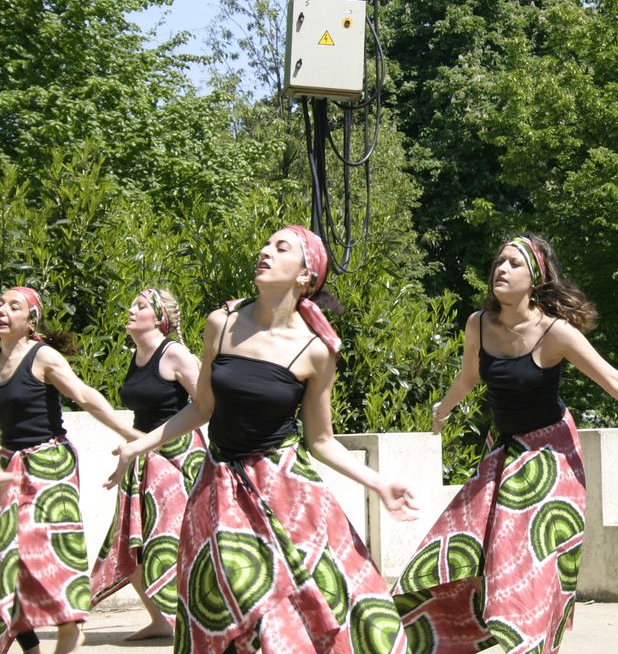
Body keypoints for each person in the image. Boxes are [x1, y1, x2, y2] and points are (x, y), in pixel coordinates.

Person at [105, 226, 417, 654]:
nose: (265, 251)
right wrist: (137, 445)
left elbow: (321, 440)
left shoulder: (316, 351)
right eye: (266, 244)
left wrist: (379, 483)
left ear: (306, 275)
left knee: (316, 603)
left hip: (285, 488)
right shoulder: (222, 323)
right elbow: (202, 409)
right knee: (226, 600)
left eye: (281, 247)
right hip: (218, 487)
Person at [392, 235, 618, 654]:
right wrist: (443, 407)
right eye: (498, 262)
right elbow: (469, 377)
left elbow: (617, 383)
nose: (500, 270)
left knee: (518, 554)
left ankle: (519, 642)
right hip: (503, 452)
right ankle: (434, 633)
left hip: (550, 456)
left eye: (513, 264)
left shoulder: (555, 333)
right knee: (456, 541)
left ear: (535, 279)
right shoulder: (478, 324)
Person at [0, 286, 142, 654]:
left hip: (49, 466)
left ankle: (69, 626)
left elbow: (84, 396)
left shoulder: (42, 356)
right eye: (0, 303)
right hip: (10, 465)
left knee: (45, 553)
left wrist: (134, 436)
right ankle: (32, 646)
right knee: (6, 559)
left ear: (31, 320)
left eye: (12, 306)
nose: (2, 310)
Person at [90, 288, 204, 640]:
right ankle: (159, 618)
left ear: (160, 319)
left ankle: (197, 617)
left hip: (177, 455)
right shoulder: (138, 354)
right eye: (132, 303)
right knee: (127, 541)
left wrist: (153, 443)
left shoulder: (176, 355)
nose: (131, 308)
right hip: (141, 455)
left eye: (140, 305)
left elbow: (206, 405)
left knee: (172, 539)